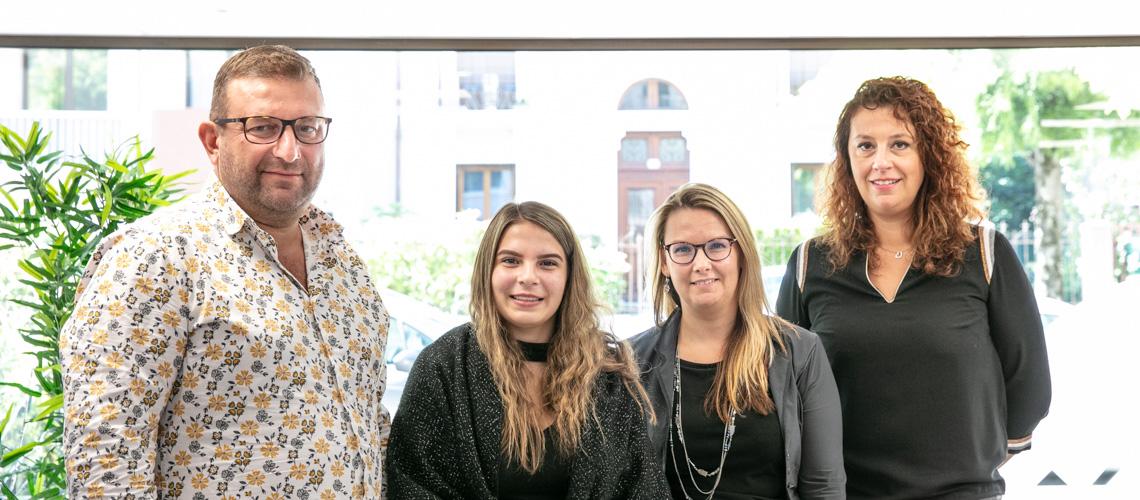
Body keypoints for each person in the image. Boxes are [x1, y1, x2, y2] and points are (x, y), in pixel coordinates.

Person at [60, 45, 391, 498]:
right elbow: (106, 456)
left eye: (307, 128)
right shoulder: (155, 256)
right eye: (263, 127)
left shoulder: (344, 264)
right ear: (213, 141)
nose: (290, 151)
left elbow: (371, 425)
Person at [776, 76, 1052, 499]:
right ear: (847, 159)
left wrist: (980, 462)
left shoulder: (984, 253)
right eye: (865, 146)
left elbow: (1029, 378)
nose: (881, 162)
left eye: (900, 144)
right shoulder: (810, 264)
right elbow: (783, 391)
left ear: (929, 156)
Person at [386, 201, 667, 499]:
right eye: (510, 260)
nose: (528, 277)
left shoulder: (607, 375)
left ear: (569, 276)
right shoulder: (444, 367)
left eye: (547, 263)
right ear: (488, 270)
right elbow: (412, 485)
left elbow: (644, 488)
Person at [631, 183, 845, 500]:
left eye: (717, 246)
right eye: (683, 249)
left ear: (741, 253)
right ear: (664, 262)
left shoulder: (799, 352)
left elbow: (823, 486)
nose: (701, 263)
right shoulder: (631, 362)